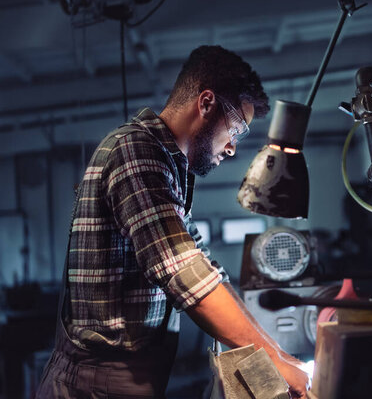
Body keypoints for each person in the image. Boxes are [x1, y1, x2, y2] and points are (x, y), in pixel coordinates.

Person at [36, 45, 309, 398]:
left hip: (121, 378)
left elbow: (204, 267)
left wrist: (280, 352)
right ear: (206, 103)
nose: (232, 148)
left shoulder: (168, 169)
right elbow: (183, 274)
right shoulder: (135, 151)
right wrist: (272, 359)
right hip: (93, 384)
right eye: (237, 129)